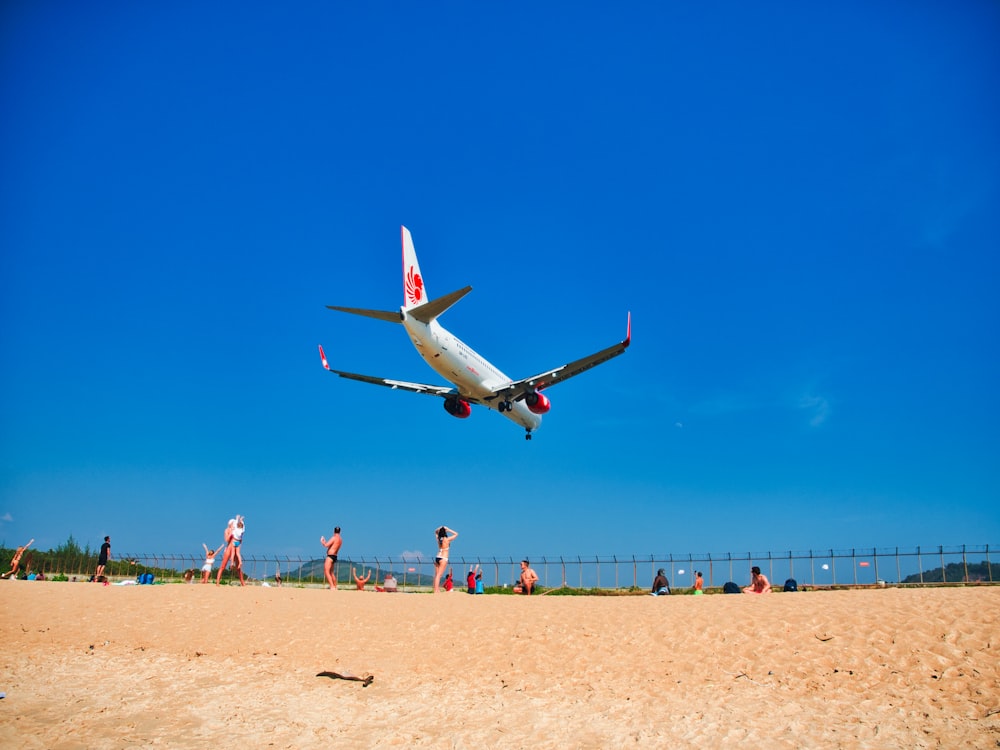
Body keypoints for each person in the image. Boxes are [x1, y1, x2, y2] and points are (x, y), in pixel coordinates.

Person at [433, 526, 458, 593]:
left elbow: (435, 532)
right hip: (443, 558)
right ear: (445, 532)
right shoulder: (447, 539)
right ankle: (436, 590)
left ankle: (436, 589)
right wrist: (448, 529)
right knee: (439, 575)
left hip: (437, 557)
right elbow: (456, 534)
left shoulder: (439, 539)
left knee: (437, 575)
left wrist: (440, 528)